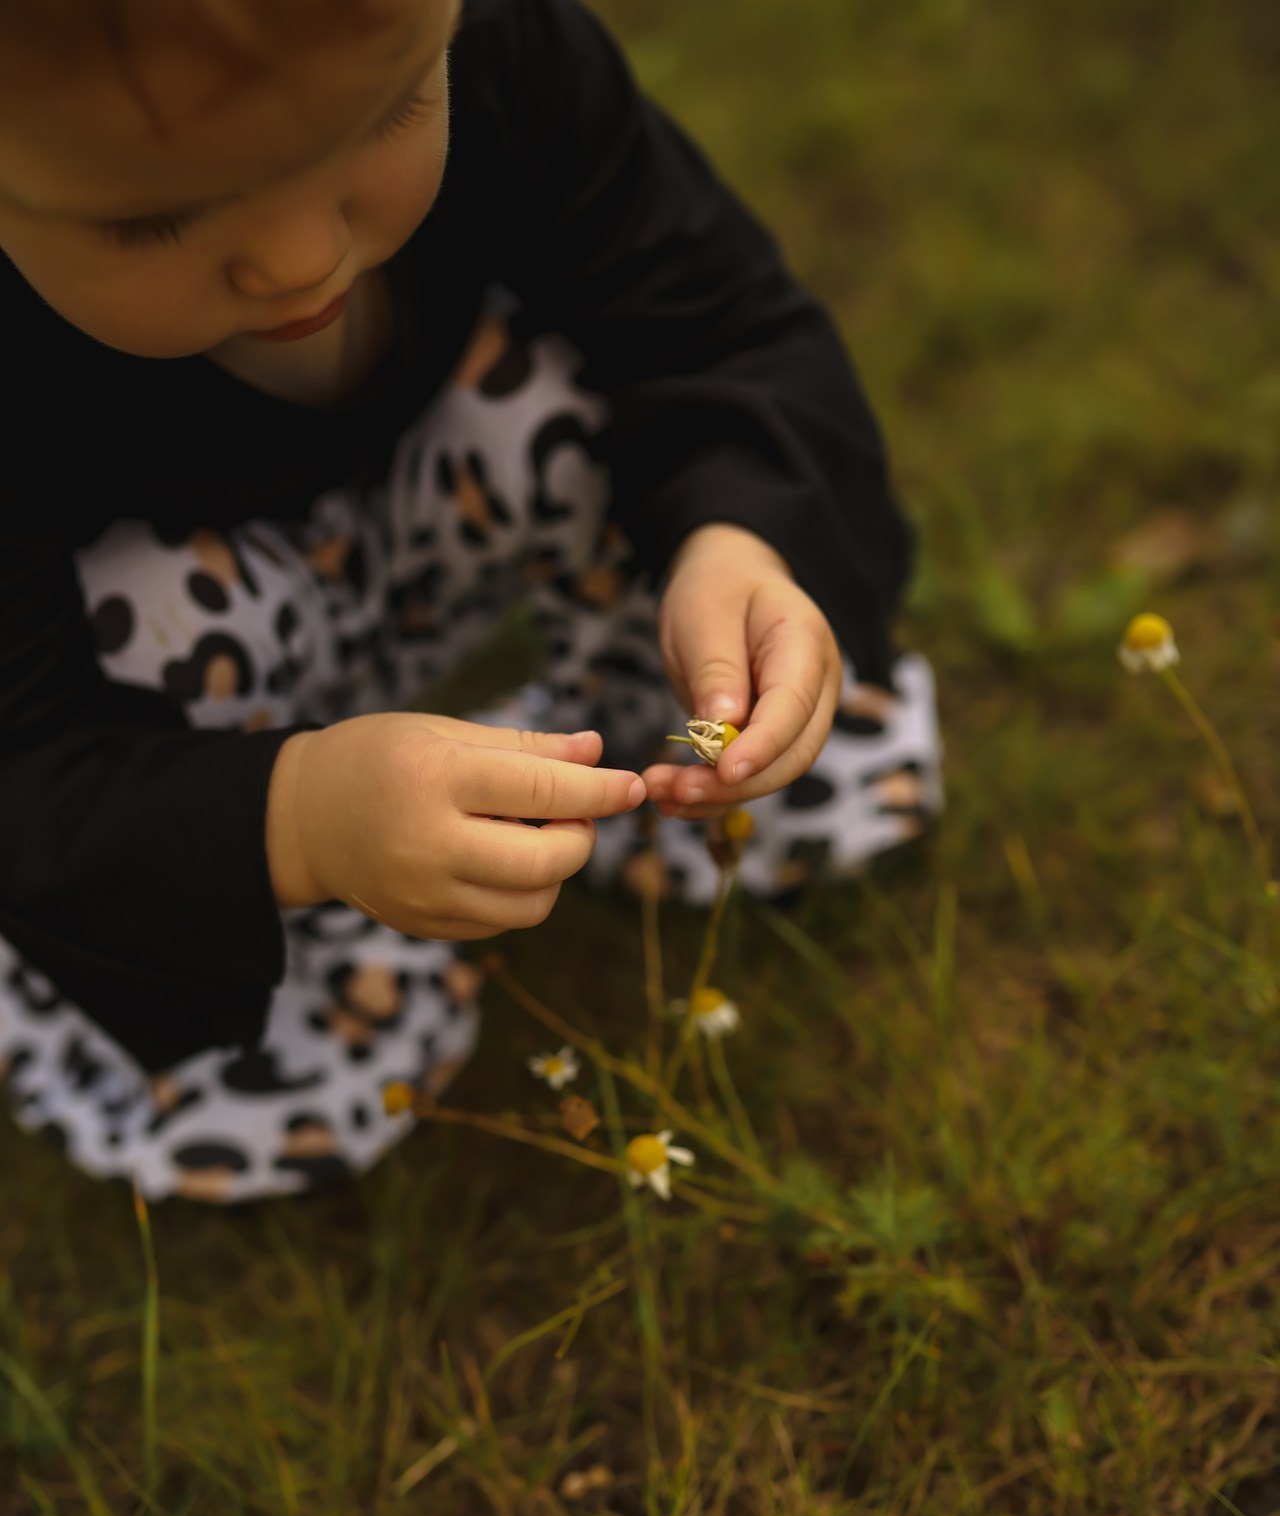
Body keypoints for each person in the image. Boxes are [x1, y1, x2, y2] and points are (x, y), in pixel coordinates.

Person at [0, 0, 942, 1203]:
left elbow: (709, 323)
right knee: (276, 1087)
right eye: (149, 218)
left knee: (587, 390)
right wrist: (296, 823)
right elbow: (24, 761)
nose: (296, 257)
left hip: (436, 513)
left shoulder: (505, 56)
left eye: (381, 115)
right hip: (158, 714)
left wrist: (738, 543)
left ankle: (650, 733)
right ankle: (291, 955)